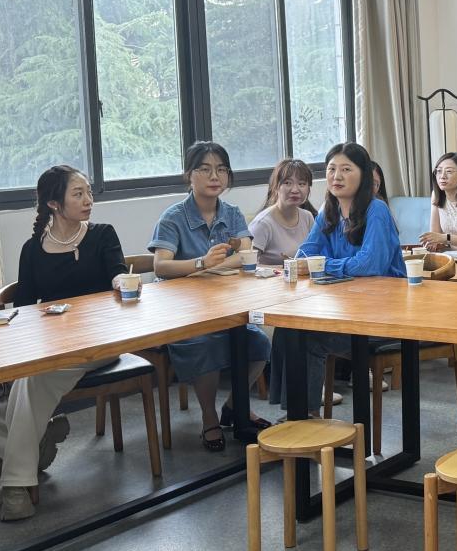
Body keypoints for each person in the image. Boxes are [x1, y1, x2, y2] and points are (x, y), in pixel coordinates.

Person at [0, 166, 127, 520]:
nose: (88, 200)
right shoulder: (32, 249)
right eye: (78, 193)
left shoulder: (102, 235)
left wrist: (121, 281)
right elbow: (25, 309)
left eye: (88, 192)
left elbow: (118, 272)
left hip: (97, 343)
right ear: (54, 203)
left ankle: (16, 486)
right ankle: (37, 438)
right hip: (47, 345)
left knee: (31, 378)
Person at [149, 142, 272, 452]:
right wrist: (202, 263)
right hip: (184, 313)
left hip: (226, 307)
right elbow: (161, 266)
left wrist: (211, 267)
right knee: (205, 344)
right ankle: (209, 416)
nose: (214, 176)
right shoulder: (173, 217)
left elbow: (246, 255)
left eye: (221, 169)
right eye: (205, 169)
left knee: (259, 344)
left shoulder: (231, 213)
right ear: (189, 175)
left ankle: (234, 406)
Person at [275, 143, 407, 416]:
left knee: (306, 338)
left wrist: (322, 265)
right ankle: (297, 416)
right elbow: (305, 254)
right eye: (332, 169)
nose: (337, 176)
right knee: (287, 329)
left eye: (346, 169)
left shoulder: (377, 210)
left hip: (384, 316)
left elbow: (369, 265)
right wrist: (314, 263)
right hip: (347, 309)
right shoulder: (329, 209)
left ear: (364, 175)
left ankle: (304, 416)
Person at [249, 158, 317, 266]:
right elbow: (248, 264)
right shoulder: (263, 223)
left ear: (308, 188)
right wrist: (285, 267)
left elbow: (314, 254)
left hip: (303, 276)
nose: (295, 190)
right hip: (270, 277)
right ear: (276, 186)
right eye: (288, 183)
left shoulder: (308, 217)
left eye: (301, 184)